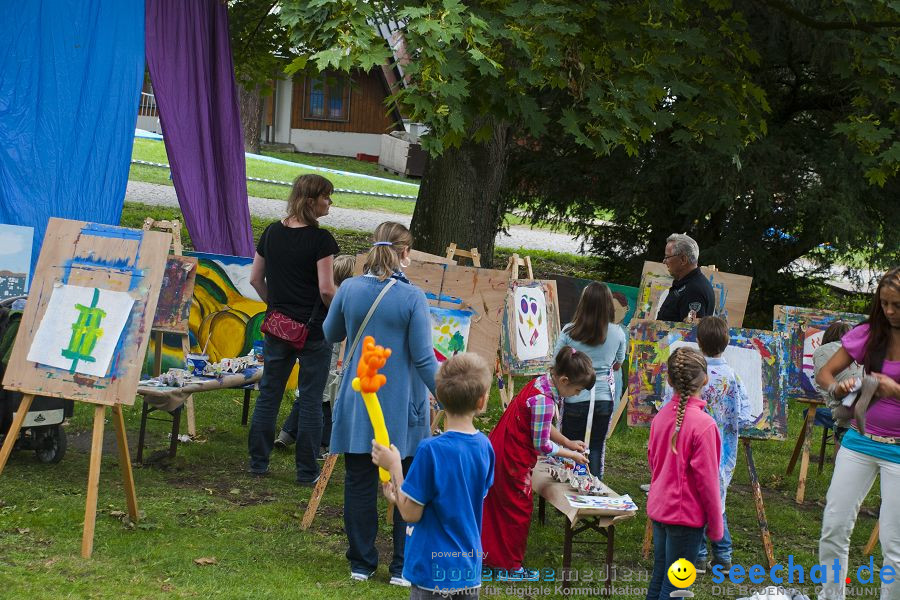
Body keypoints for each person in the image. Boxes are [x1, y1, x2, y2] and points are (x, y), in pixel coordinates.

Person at [323, 221, 439, 585]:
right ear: (406, 253)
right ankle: (403, 567)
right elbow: (423, 359)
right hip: (403, 405)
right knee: (407, 483)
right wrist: (450, 396)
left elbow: (331, 334)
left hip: (360, 401)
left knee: (358, 481)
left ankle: (361, 562)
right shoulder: (412, 297)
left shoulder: (351, 288)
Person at [371, 353, 495, 600]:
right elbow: (459, 499)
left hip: (432, 572)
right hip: (467, 570)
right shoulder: (485, 446)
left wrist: (395, 467)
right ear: (482, 401)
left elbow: (410, 514)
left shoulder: (430, 450)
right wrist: (400, 496)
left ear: (438, 398)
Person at [247, 173, 338, 484]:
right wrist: (345, 310)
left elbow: (255, 279)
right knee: (312, 399)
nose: (330, 202)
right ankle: (306, 472)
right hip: (313, 332)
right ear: (311, 200)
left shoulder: (271, 233)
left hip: (277, 329)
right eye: (327, 196)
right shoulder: (321, 240)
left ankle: (258, 463)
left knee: (269, 394)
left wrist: (275, 308)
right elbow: (327, 291)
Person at [816, 267, 900, 600]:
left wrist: (892, 388)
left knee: (894, 545)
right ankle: (830, 596)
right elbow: (825, 373)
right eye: (885, 304)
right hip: (860, 441)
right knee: (834, 528)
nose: (890, 312)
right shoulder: (870, 333)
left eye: (897, 305)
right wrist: (839, 387)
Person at [481, 346, 594, 579]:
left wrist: (567, 442)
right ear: (564, 380)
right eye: (577, 390)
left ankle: (491, 557)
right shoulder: (545, 400)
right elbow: (542, 443)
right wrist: (571, 454)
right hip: (512, 458)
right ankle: (510, 567)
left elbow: (540, 425)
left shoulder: (542, 382)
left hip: (501, 450)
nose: (576, 394)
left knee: (498, 507)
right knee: (517, 510)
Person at [661, 316, 751, 574]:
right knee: (716, 501)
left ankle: (699, 556)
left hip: (688, 446)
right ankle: (723, 556)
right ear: (727, 342)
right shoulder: (731, 376)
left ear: (698, 342)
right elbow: (744, 415)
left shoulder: (690, 371)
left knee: (693, 498)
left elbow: (671, 403)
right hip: (722, 452)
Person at [646, 346, 723, 600]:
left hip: (660, 511)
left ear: (669, 380)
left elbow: (653, 462)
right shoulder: (704, 426)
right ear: (706, 379)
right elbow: (709, 484)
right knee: (676, 586)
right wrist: (716, 526)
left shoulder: (661, 417)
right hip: (686, 520)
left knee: (660, 576)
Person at [275, 254, 357, 455]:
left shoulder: (329, 292)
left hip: (321, 349)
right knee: (328, 398)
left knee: (310, 392)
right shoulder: (343, 296)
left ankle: (286, 433)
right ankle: (321, 444)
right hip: (332, 352)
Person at [553, 282, 627, 478]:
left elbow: (555, 361)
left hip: (575, 398)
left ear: (583, 303)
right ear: (608, 305)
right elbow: (618, 364)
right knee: (594, 447)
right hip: (603, 399)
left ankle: (570, 489)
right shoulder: (618, 332)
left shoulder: (570, 331)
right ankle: (593, 489)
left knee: (571, 446)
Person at [812, 320, 861, 444]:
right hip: (873, 418)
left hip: (848, 420)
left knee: (843, 426)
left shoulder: (822, 351)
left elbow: (823, 383)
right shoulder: (863, 348)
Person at [656, 233, 715, 323]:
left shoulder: (694, 291)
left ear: (683, 260)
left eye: (667, 257)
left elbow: (691, 333)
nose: (664, 261)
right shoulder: (688, 284)